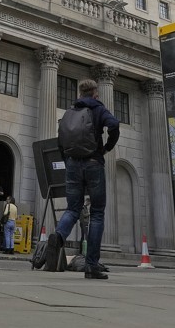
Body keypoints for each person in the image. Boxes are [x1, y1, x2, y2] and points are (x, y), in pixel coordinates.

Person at [43, 79, 120, 279]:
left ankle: (58, 236)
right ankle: (91, 265)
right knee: (96, 213)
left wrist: (67, 159)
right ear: (94, 93)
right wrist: (106, 148)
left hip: (72, 164)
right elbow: (114, 125)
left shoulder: (69, 112)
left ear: (80, 93)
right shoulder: (98, 109)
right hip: (93, 163)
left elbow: (61, 139)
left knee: (72, 208)